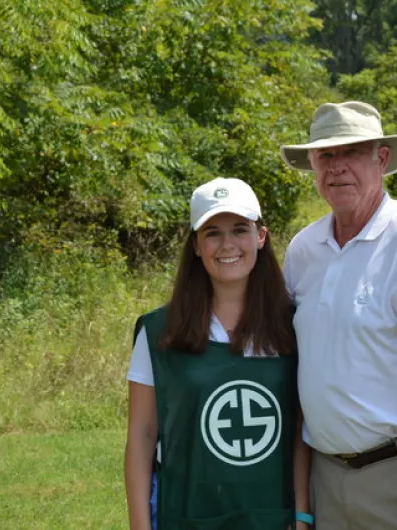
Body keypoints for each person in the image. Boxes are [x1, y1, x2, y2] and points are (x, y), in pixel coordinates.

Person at [281, 102, 397, 530]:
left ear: (381, 159)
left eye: (351, 152)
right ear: (312, 164)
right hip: (327, 478)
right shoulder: (303, 251)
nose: (337, 168)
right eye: (325, 155)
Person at [124, 177, 312, 530]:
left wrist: (302, 517)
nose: (227, 244)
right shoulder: (158, 332)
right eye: (212, 232)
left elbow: (301, 431)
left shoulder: (293, 327)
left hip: (273, 518)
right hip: (187, 517)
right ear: (196, 245)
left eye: (240, 229)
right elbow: (142, 435)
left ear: (261, 236)